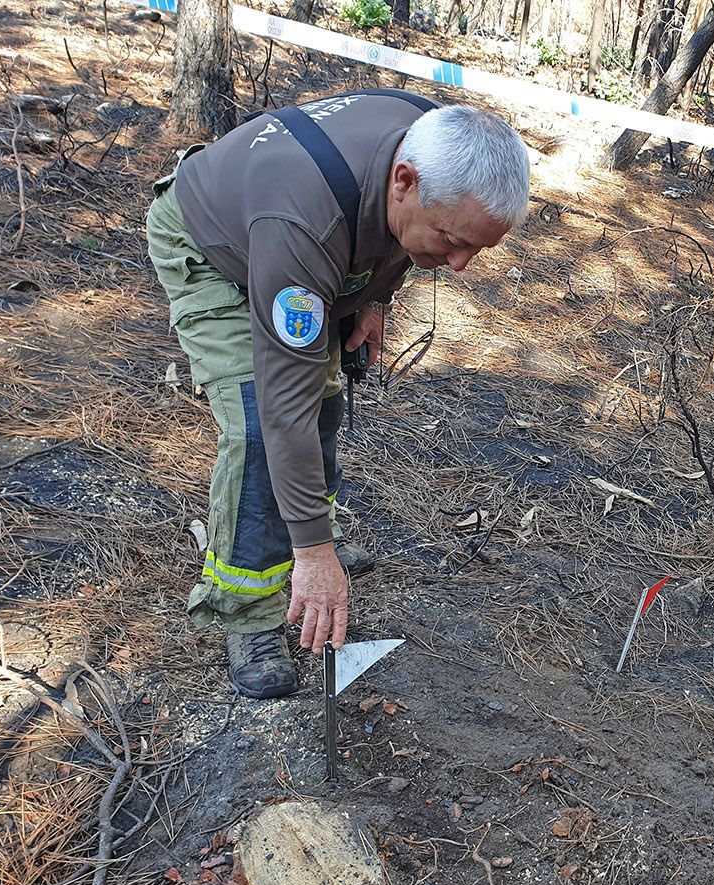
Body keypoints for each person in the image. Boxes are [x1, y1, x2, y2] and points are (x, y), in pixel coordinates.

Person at [146, 94, 530, 698]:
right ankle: (248, 607)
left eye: (478, 249)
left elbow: (394, 236)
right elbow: (283, 407)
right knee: (257, 424)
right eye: (453, 241)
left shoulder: (436, 142)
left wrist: (375, 298)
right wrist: (318, 555)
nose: (459, 265)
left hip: (298, 248)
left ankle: (302, 546)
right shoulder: (302, 221)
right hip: (213, 248)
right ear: (404, 181)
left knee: (324, 400)